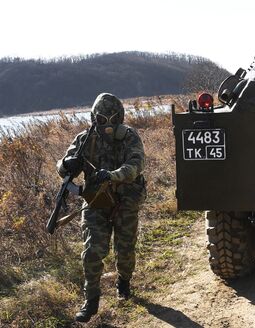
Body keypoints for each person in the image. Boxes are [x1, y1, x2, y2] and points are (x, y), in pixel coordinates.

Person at [56, 93, 146, 323]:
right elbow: (63, 164)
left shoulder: (129, 137)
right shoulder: (85, 139)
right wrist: (67, 165)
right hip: (96, 201)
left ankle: (124, 281)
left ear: (120, 118)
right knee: (92, 250)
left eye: (112, 119)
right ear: (94, 118)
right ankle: (91, 300)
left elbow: (136, 165)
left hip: (126, 199)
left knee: (125, 249)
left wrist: (113, 175)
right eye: (102, 119)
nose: (107, 124)